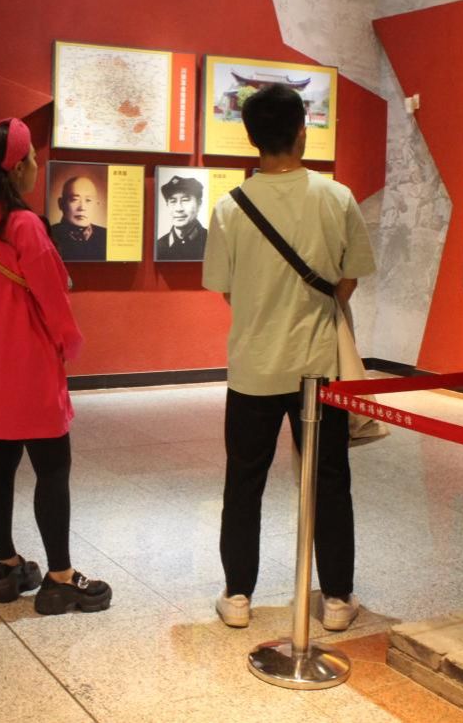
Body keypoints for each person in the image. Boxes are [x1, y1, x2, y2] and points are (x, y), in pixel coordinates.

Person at [202, 83, 375, 630]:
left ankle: (237, 596)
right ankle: (338, 598)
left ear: (251, 137)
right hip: (318, 368)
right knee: (329, 481)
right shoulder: (336, 197)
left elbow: (226, 288)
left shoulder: (229, 207)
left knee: (243, 483)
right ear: (303, 132)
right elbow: (348, 280)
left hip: (251, 368)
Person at [0, 118, 112, 614]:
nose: (37, 166)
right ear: (18, 166)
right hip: (28, 363)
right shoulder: (23, 224)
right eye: (34, 159)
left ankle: (7, 567)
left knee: (0, 466)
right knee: (52, 468)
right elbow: (51, 295)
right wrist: (70, 341)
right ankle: (60, 578)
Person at [49, 175, 107, 261]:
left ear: (96, 205)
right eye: (74, 199)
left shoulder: (106, 236)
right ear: (61, 204)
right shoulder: (49, 235)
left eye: (88, 200)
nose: (82, 207)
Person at [155, 174, 207, 261]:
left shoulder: (211, 241)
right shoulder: (159, 246)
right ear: (167, 205)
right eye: (173, 201)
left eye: (185, 200)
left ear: (199, 204)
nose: (178, 209)